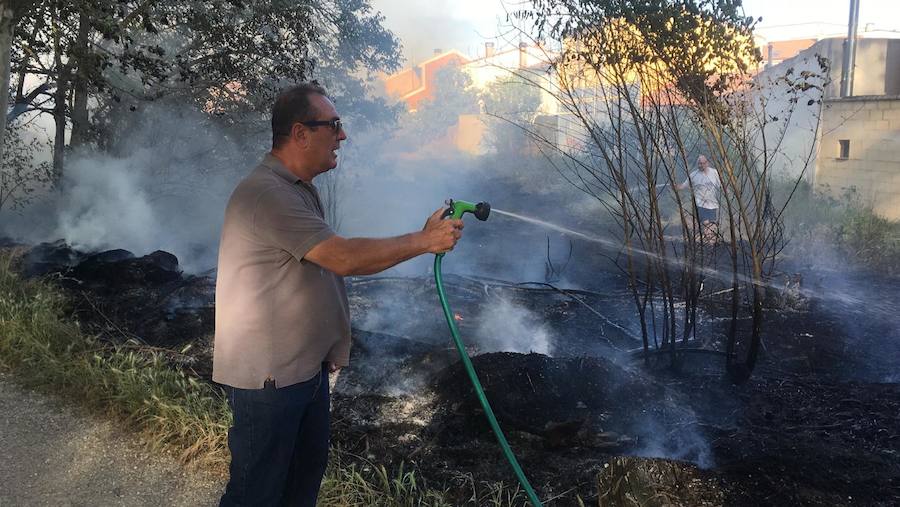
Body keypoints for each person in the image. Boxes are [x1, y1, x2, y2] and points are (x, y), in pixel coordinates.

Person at [212, 82, 464, 507]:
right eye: (334, 125)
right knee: (255, 495)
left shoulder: (296, 188)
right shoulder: (268, 194)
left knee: (298, 491)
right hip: (271, 382)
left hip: (304, 373)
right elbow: (343, 258)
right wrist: (424, 241)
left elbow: (312, 273)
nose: (342, 136)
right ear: (300, 134)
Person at [676, 154, 721, 241]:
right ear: (697, 164)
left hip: (712, 204)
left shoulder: (714, 172)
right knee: (706, 224)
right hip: (700, 204)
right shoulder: (694, 175)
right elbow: (684, 186)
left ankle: (711, 242)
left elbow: (720, 185)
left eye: (703, 163)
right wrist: (676, 187)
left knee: (712, 225)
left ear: (707, 163)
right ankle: (709, 242)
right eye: (699, 163)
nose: (701, 165)